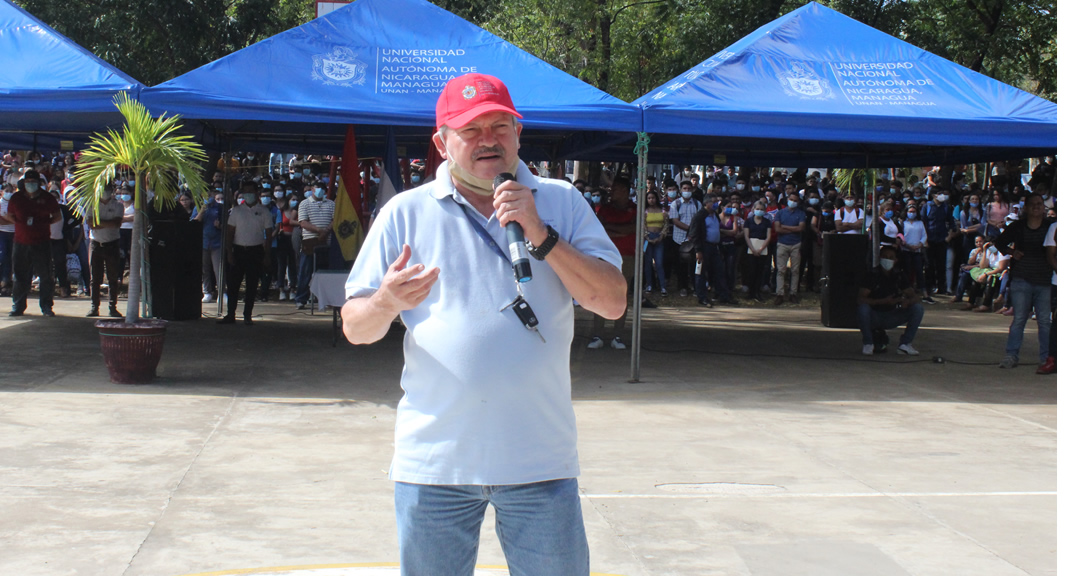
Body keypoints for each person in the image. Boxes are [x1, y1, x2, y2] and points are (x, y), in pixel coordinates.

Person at [342, 73, 624, 576]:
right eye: (471, 129)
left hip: (540, 463)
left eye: (500, 125)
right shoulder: (405, 214)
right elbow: (356, 328)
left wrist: (541, 233)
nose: (488, 139)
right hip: (434, 467)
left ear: (519, 132)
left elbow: (611, 302)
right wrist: (385, 301)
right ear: (441, 142)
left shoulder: (561, 201)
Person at [994, 194, 1053, 369]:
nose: (1037, 207)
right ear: (1026, 208)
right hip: (1022, 278)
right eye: (1033, 204)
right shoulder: (1018, 226)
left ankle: (1046, 357)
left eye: (1040, 204)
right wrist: (1012, 253)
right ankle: (1011, 355)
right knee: (1019, 318)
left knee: (1044, 320)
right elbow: (999, 242)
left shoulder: (1051, 226)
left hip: (1044, 278)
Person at [588, 176, 636, 349]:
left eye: (615, 189)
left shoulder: (635, 209)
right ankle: (597, 335)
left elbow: (634, 229)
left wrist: (613, 228)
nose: (611, 191)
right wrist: (622, 230)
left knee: (622, 295)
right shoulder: (604, 210)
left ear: (624, 191)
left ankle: (618, 336)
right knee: (599, 293)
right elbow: (601, 231)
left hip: (627, 257)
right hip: (605, 257)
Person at [7, 169, 61, 317]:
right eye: (28, 182)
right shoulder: (16, 198)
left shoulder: (48, 198)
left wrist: (45, 222)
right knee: (19, 276)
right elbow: (9, 215)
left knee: (45, 276)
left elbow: (57, 216)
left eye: (33, 182)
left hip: (41, 242)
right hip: (21, 242)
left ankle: (46, 306)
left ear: (39, 183)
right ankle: (18, 306)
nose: (30, 184)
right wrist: (20, 223)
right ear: (24, 183)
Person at [218, 182, 273, 325]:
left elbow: (268, 234)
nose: (248, 194)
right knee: (233, 284)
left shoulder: (264, 211)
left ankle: (247, 315)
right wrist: (229, 252)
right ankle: (230, 314)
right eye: (245, 191)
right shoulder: (236, 211)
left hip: (256, 251)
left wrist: (267, 255)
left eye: (251, 191)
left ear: (256, 192)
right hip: (239, 250)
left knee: (252, 284)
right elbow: (230, 232)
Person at [856, 244, 923, 356]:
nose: (887, 260)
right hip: (874, 315)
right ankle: (868, 343)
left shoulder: (899, 276)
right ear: (880, 258)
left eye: (891, 257)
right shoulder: (872, 275)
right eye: (885, 256)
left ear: (896, 260)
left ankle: (905, 344)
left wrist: (907, 302)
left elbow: (915, 296)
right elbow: (860, 299)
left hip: (892, 315)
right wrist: (883, 301)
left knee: (918, 309)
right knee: (863, 309)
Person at [85, 183, 126, 318]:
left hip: (112, 244)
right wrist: (106, 223)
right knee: (95, 278)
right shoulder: (92, 204)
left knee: (112, 278)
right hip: (96, 244)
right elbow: (91, 223)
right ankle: (94, 307)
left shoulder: (118, 205)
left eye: (107, 190)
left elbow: (116, 224)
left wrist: (99, 223)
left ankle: (112, 307)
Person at [294, 182, 335, 309]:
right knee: (305, 272)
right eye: (318, 188)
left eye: (323, 188)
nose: (320, 190)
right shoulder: (304, 203)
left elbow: (335, 220)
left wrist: (326, 231)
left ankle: (326, 299)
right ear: (312, 189)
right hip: (310, 241)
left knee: (326, 273)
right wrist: (318, 230)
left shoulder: (331, 204)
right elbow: (303, 222)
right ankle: (301, 299)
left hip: (327, 242)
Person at [689, 193, 724, 307]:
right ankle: (702, 297)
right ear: (707, 203)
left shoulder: (715, 215)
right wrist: (698, 250)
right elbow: (694, 234)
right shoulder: (699, 216)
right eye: (714, 202)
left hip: (715, 247)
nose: (716, 204)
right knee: (701, 273)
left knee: (718, 271)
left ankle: (722, 295)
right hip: (704, 247)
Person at [667, 179, 701, 297]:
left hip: (693, 240)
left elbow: (699, 220)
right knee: (680, 266)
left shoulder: (697, 204)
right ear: (680, 191)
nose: (687, 191)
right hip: (679, 239)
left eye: (689, 189)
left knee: (693, 265)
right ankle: (682, 287)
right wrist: (689, 229)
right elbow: (675, 221)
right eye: (684, 189)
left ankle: (695, 287)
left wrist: (693, 232)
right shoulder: (675, 204)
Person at [773, 189, 806, 305]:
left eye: (795, 200)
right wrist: (793, 229)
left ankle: (793, 293)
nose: (793, 202)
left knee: (795, 270)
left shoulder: (801, 214)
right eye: (791, 200)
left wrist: (785, 227)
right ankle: (780, 294)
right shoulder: (780, 213)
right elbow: (777, 229)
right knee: (780, 270)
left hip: (796, 244)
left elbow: (801, 228)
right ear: (787, 200)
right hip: (782, 243)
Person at [196, 189, 225, 302]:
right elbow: (194, 222)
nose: (208, 196)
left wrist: (219, 226)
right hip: (203, 242)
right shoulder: (199, 207)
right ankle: (207, 292)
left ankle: (222, 293)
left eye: (210, 194)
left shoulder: (220, 207)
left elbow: (227, 225)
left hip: (216, 243)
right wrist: (202, 211)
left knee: (218, 269)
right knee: (205, 269)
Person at [743, 200, 772, 303]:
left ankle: (757, 292)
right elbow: (746, 236)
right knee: (751, 271)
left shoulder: (767, 222)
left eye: (761, 209)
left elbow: (769, 237)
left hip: (762, 249)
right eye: (757, 209)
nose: (759, 211)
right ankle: (751, 293)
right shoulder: (748, 221)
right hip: (751, 248)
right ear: (753, 209)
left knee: (760, 271)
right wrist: (752, 248)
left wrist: (760, 249)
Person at [641, 190, 667, 295]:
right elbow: (643, 225)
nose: (651, 200)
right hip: (648, 238)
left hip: (659, 238)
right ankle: (649, 285)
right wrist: (647, 237)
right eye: (649, 198)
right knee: (648, 263)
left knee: (659, 263)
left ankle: (663, 286)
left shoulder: (663, 211)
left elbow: (665, 225)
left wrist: (661, 236)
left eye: (653, 198)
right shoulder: (645, 212)